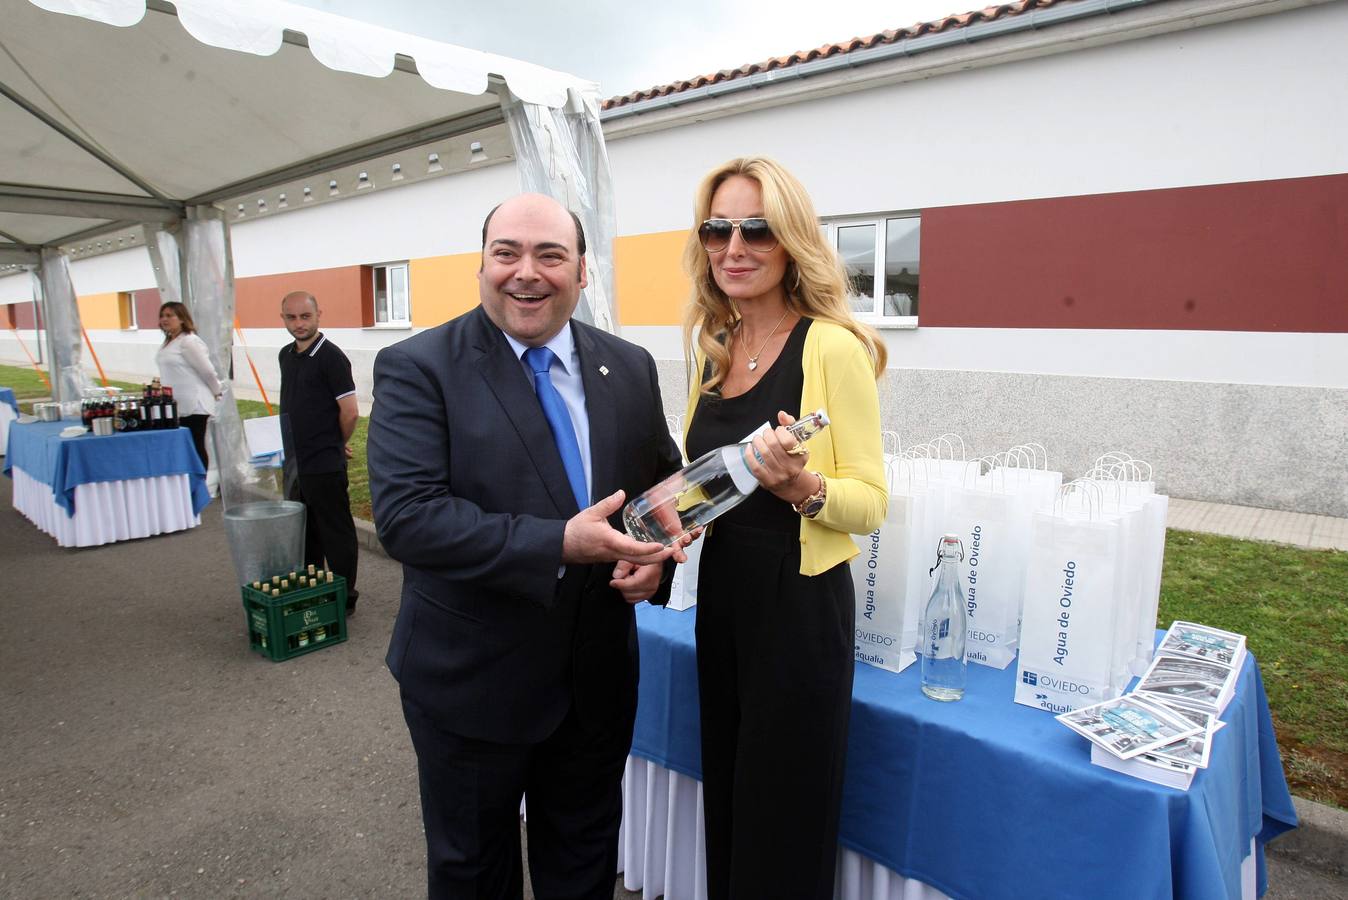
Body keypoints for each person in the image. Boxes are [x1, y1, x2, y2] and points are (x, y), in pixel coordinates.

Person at [367, 193, 687, 900]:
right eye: (506, 252)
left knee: (582, 863)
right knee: (473, 873)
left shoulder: (628, 366)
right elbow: (407, 518)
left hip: (596, 679)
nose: (526, 273)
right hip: (471, 682)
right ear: (481, 265)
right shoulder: (419, 366)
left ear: (582, 271)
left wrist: (652, 561)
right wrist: (560, 544)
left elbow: (658, 491)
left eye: (550, 255)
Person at [681, 157, 889, 900]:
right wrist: (663, 527)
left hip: (799, 609)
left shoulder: (831, 346)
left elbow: (871, 501)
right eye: (717, 228)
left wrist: (801, 487)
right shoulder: (714, 348)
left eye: (757, 230)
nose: (733, 247)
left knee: (786, 809)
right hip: (726, 596)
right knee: (731, 786)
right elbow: (703, 484)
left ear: (791, 239)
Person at [277, 291, 361, 613]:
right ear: (283, 318)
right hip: (294, 462)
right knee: (305, 533)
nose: (299, 324)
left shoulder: (331, 357)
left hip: (324, 463)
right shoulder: (286, 355)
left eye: (305, 316)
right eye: (291, 317)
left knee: (334, 533)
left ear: (318, 315)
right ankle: (311, 590)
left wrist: (336, 443)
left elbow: (350, 411)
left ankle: (344, 599)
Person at [155, 301, 221, 468]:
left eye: (170, 315)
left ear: (182, 318)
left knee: (195, 445)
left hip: (194, 404)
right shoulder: (170, 342)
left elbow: (207, 371)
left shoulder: (189, 341)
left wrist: (216, 391)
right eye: (162, 316)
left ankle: (200, 484)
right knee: (184, 447)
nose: (165, 319)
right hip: (177, 404)